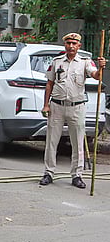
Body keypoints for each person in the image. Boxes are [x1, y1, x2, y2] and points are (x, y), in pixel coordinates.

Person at [39, 33, 106, 189]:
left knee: (77, 142)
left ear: (79, 46)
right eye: (68, 43)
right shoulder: (57, 62)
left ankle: (77, 175)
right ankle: (49, 172)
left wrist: (101, 67)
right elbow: (49, 84)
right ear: (65, 45)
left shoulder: (85, 62)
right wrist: (46, 105)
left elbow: (96, 76)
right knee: (51, 141)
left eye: (74, 43)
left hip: (76, 107)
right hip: (56, 106)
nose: (71, 46)